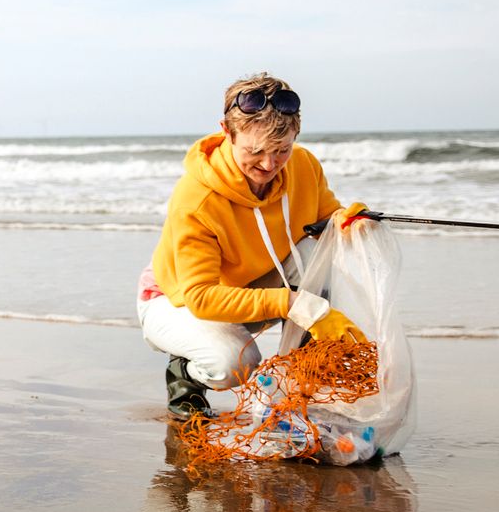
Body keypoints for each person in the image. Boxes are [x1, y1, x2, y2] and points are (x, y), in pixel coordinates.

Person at [137, 74, 370, 420]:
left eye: (281, 150)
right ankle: (185, 374)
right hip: (177, 301)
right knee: (236, 364)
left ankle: (302, 379)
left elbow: (326, 220)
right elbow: (200, 296)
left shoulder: (304, 165)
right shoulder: (196, 199)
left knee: (321, 251)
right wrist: (295, 304)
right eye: (255, 151)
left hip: (252, 285)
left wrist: (351, 222)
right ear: (227, 132)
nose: (268, 164)